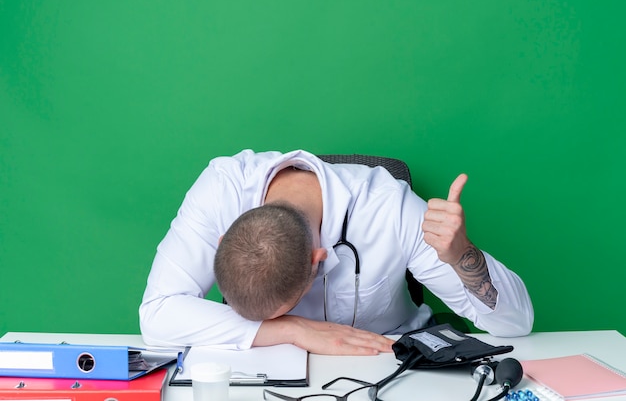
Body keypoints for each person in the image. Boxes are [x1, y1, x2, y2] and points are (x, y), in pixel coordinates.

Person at [139, 149, 533, 355]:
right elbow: (156, 313)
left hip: (386, 366)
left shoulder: (389, 208)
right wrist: (291, 330)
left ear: (319, 260)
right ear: (222, 239)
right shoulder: (221, 189)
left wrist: (462, 254)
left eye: (286, 311)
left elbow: (515, 324)